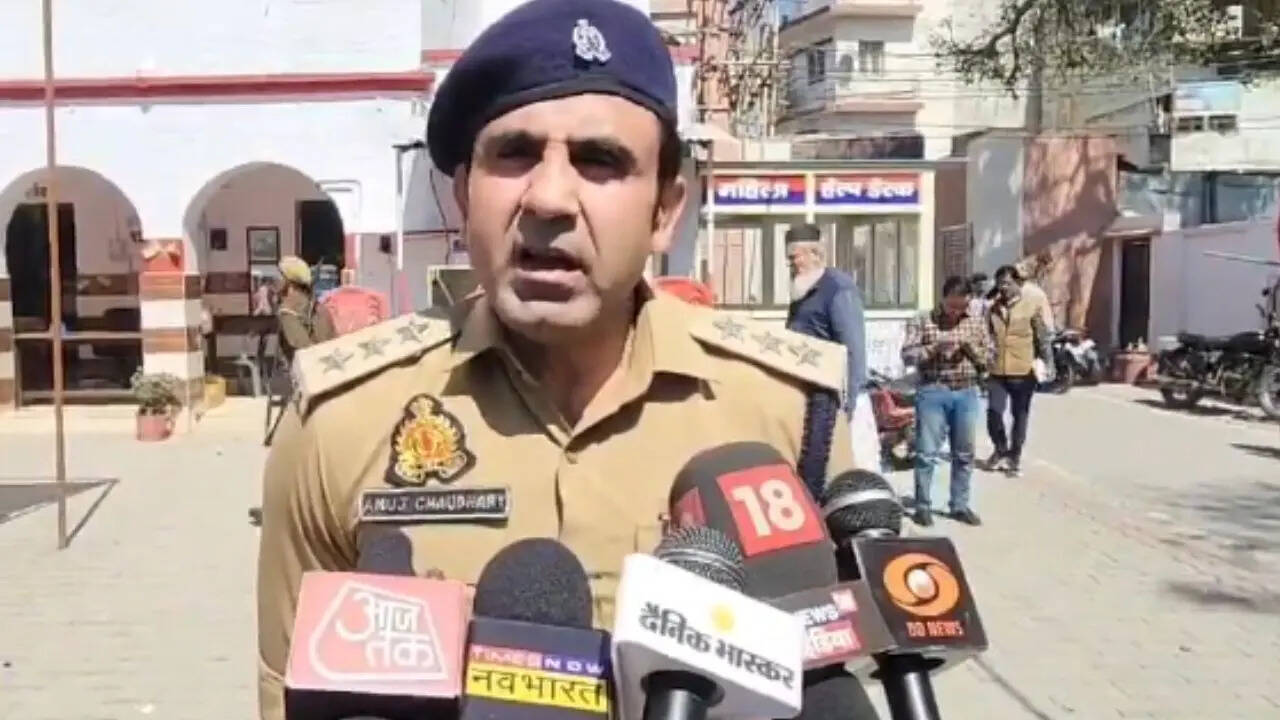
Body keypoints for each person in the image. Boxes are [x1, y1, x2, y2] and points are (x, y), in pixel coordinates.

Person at [254, 1, 874, 717]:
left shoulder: (788, 414)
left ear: (665, 211)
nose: (548, 198)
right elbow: (286, 693)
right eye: (514, 154)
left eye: (599, 160)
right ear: (464, 198)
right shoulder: (340, 421)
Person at [784, 224, 878, 470]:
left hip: (838, 397)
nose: (791, 265)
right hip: (812, 394)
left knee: (852, 469)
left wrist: (848, 405)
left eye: (795, 258)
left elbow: (853, 348)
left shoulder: (838, 288)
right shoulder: (801, 289)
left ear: (815, 254)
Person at [901, 276, 990, 527]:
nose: (956, 313)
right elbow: (907, 355)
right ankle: (922, 506)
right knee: (926, 453)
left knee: (964, 454)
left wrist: (970, 349)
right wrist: (934, 348)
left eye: (962, 307)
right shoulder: (923, 320)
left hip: (966, 392)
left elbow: (989, 357)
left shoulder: (975, 322)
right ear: (943, 299)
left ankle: (959, 505)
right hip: (933, 391)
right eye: (952, 306)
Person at [984, 264, 1053, 477]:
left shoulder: (1031, 306)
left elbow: (1042, 338)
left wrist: (1048, 363)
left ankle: (1014, 456)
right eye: (1000, 284)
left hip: (1022, 371)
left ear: (1018, 283)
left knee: (1019, 415)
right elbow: (986, 336)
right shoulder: (993, 309)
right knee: (994, 413)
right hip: (996, 370)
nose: (1003, 288)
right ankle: (1000, 449)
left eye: (1007, 283)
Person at [274, 255, 336, 363]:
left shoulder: (288, 309)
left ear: (288, 281)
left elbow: (302, 347)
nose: (275, 280)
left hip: (310, 367)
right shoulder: (316, 303)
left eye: (279, 276)